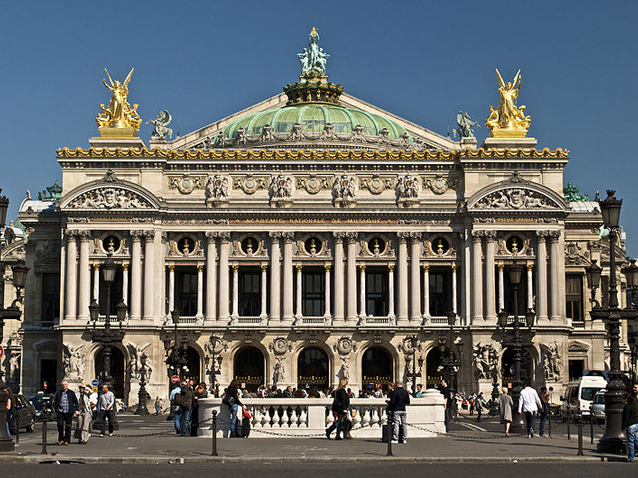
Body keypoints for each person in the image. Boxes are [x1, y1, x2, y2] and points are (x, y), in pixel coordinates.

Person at [53, 379, 79, 445]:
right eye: (63, 385)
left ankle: (67, 440)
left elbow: (75, 402)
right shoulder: (58, 393)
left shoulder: (71, 393)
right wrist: (56, 409)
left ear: (67, 385)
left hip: (68, 412)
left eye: (65, 384)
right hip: (61, 412)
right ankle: (61, 439)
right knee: (60, 426)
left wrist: (76, 409)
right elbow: (55, 402)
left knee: (68, 426)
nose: (64, 386)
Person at [622, 393, 638, 462]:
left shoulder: (627, 407)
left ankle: (631, 458)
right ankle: (635, 452)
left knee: (631, 442)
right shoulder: (634, 407)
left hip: (630, 425)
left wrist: (623, 427)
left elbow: (626, 418)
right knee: (636, 440)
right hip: (636, 424)